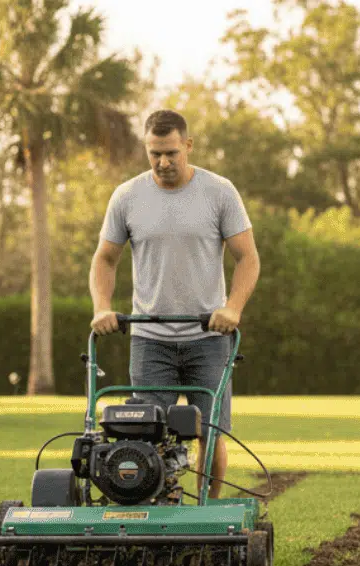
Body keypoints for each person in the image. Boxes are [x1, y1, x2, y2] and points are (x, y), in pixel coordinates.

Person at [92, 108, 260, 495]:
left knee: (211, 431)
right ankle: (159, 511)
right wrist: (102, 306)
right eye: (155, 153)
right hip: (150, 339)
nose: (163, 162)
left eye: (171, 152)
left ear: (188, 145)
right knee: (146, 431)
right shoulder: (128, 196)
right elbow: (105, 258)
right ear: (146, 149)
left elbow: (247, 257)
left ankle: (208, 514)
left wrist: (232, 308)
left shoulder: (219, 191)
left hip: (209, 337)